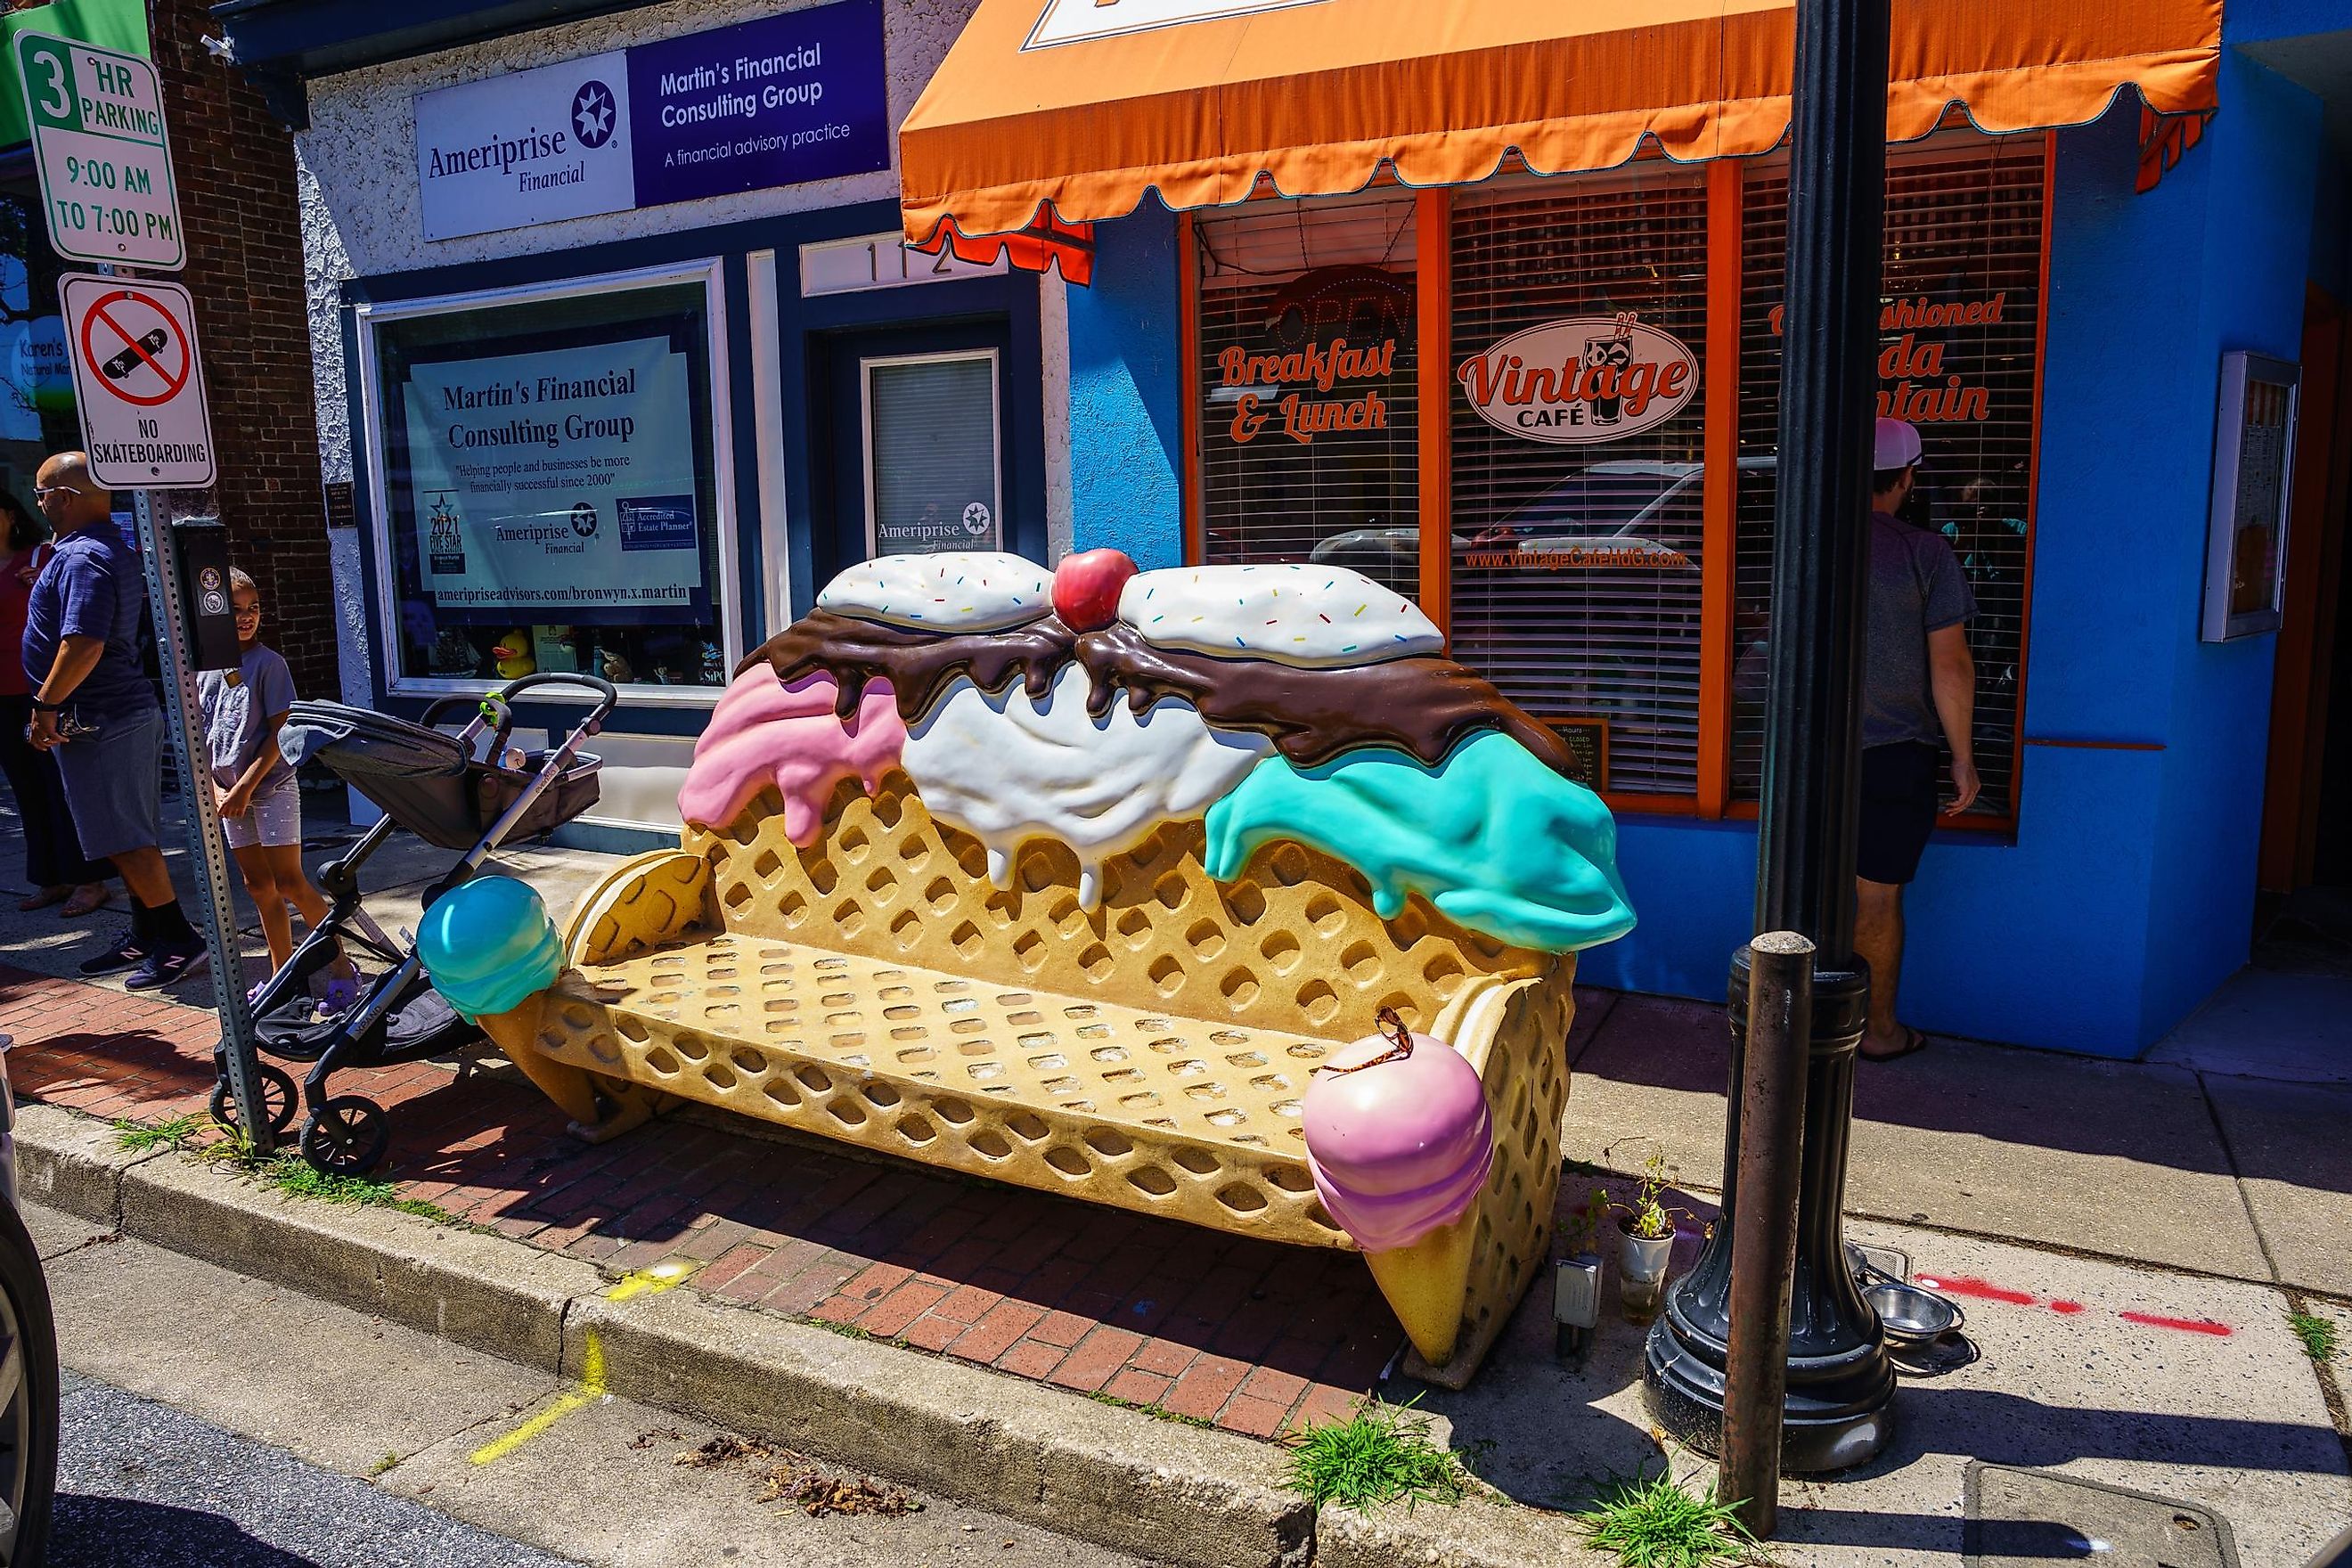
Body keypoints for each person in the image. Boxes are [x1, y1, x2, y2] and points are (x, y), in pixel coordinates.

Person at [21, 452, 208, 988]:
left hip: (101, 716)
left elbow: (83, 643)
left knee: (126, 838)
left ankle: (177, 941)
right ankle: (146, 932)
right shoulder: (97, 552)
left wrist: (46, 705)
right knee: (120, 834)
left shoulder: (84, 558)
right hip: (108, 715)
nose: (40, 504)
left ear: (64, 497)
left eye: (42, 493)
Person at [1856, 418, 1978, 1062]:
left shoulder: (1808, 544)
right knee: (1876, 899)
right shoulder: (1924, 552)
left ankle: (1791, 1035)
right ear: (1907, 478)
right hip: (1893, 756)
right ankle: (1877, 1034)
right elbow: (1951, 665)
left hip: (1804, 760)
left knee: (1801, 892)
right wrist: (1963, 758)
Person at [199, 570, 361, 1011]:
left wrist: (247, 786)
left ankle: (343, 968)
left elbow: (280, 733)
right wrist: (218, 789)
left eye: (253, 608)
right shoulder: (204, 668)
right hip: (230, 795)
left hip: (269, 789)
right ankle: (282, 975)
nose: (247, 618)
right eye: (235, 610)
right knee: (258, 886)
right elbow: (202, 736)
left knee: (289, 881)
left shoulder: (269, 663)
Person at [0, 489, 111, 916]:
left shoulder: (42, 558)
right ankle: (52, 876)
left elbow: (73, 617)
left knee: (61, 787)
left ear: (10, 516)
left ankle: (89, 880)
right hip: (2, 697)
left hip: (42, 691)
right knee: (27, 790)